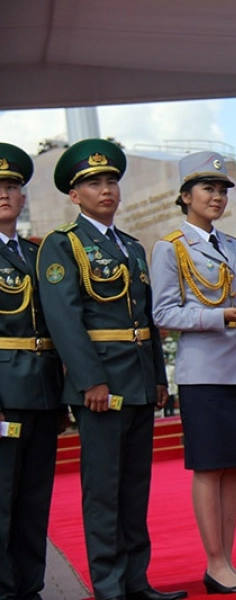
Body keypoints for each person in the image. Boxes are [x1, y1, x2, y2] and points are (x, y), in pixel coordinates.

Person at [37, 139, 186, 600]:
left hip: (140, 380)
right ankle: (108, 584)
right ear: (74, 194)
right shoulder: (63, 246)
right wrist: (91, 381)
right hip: (101, 384)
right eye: (93, 183)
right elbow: (65, 321)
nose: (105, 190)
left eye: (110, 181)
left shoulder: (131, 247)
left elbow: (144, 319)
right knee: (103, 490)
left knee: (135, 488)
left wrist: (160, 378)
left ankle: (136, 581)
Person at [150, 152, 236, 594]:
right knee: (209, 468)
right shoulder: (170, 247)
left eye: (221, 190)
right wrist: (217, 316)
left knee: (233, 468)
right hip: (204, 372)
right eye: (207, 189)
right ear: (185, 196)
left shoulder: (232, 244)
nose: (216, 197)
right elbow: (163, 312)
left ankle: (228, 562)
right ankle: (214, 563)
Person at [0, 144, 64, 600]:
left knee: (34, 499)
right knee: (1, 500)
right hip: (4, 390)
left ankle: (30, 586)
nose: (4, 195)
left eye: (12, 187)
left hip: (42, 390)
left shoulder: (38, 253)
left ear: (23, 198)